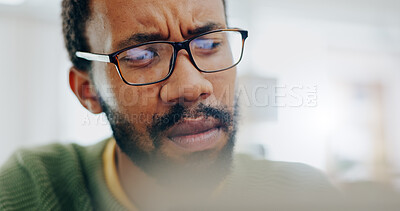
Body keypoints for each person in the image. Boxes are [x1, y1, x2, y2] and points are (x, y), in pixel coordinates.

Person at [0, 0, 339, 210]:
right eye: (142, 55)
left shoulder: (304, 195)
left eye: (208, 43)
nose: (192, 86)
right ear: (88, 90)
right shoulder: (28, 192)